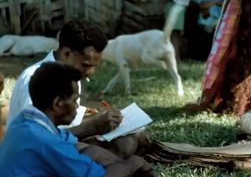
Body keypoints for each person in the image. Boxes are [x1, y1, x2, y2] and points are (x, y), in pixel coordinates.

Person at [7, 20, 149, 158]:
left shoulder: (69, 73)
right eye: (86, 65)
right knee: (125, 144)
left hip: (64, 141)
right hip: (36, 154)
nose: (90, 72)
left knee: (138, 134)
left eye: (95, 66)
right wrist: (92, 127)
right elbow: (35, 140)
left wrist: (90, 114)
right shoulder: (35, 79)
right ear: (67, 54)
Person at [0, 62, 156, 177]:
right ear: (58, 103)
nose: (77, 107)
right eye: (75, 100)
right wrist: (135, 163)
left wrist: (118, 165)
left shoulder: (26, 120)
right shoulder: (47, 142)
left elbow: (83, 149)